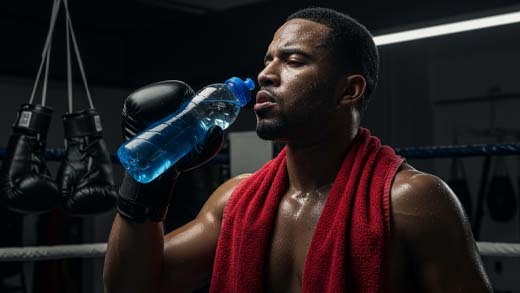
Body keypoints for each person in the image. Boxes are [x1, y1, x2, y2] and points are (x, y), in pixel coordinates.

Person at [103, 7, 492, 293]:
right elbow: (132, 286)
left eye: (293, 61)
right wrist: (148, 181)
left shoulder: (412, 200)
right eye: (268, 60)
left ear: (349, 90)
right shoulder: (236, 199)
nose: (265, 74)